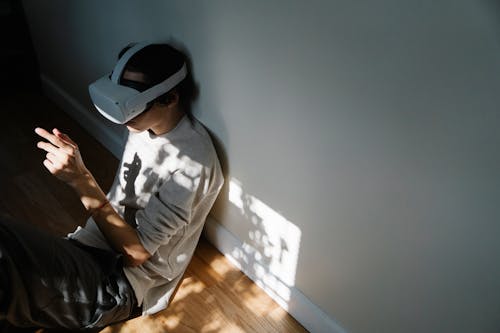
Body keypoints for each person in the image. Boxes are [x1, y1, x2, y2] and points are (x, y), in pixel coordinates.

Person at [0, 42, 224, 330]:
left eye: (131, 110)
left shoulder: (193, 164)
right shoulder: (144, 127)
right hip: (85, 249)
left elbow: (136, 255)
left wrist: (81, 180)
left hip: (118, 283)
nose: (124, 119)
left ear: (169, 99)